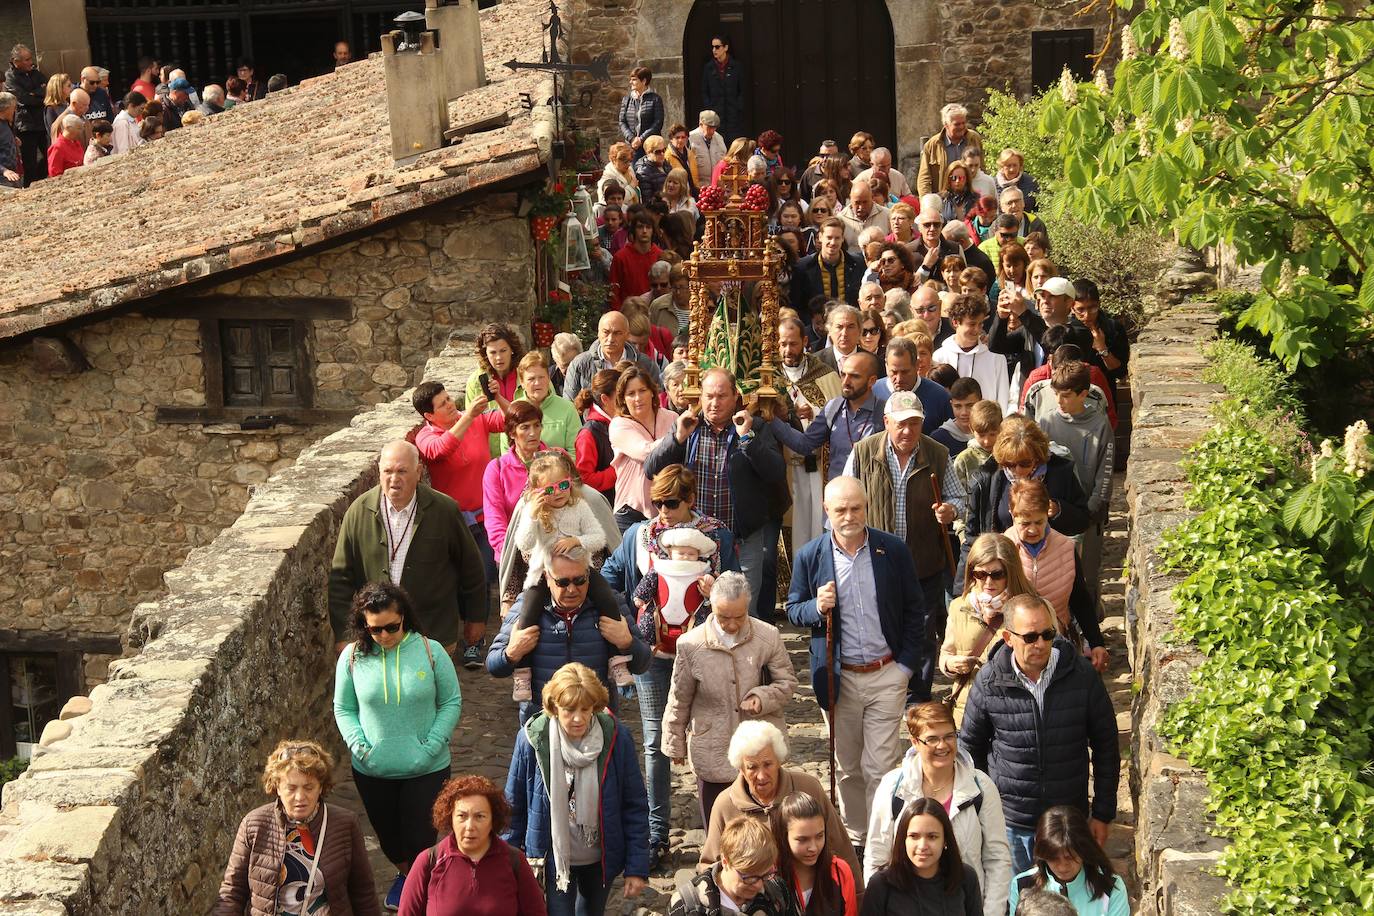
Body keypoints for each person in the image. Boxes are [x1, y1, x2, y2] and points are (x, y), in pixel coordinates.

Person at [601, 464, 739, 863]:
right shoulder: (639, 535)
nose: (662, 510)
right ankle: (656, 833)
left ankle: (718, 831)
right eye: (657, 501)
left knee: (709, 737)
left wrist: (719, 592)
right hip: (652, 655)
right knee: (654, 740)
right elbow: (609, 578)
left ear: (691, 500)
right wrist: (631, 619)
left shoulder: (716, 534)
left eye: (672, 503)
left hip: (704, 652)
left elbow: (738, 588)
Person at [786, 477, 925, 853]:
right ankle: (858, 838)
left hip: (886, 674)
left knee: (881, 764)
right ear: (826, 512)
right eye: (840, 510)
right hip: (839, 678)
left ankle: (883, 841)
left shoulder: (891, 550)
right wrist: (817, 607)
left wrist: (905, 668)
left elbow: (915, 610)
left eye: (856, 508)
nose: (849, 516)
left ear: (866, 507)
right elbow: (792, 609)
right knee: (848, 766)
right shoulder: (811, 556)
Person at [959, 595, 1120, 874]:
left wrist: (1103, 814)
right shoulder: (989, 681)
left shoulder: (1081, 675)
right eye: (1030, 636)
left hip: (1068, 822)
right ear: (1008, 638)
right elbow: (970, 749)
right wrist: (984, 809)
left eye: (1047, 634)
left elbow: (1106, 745)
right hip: (1011, 824)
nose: (1041, 644)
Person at [334, 582, 463, 909]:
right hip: (373, 769)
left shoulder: (431, 652)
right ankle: (408, 876)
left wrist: (431, 744)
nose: (385, 636)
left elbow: (450, 702)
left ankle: (420, 891)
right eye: (375, 629)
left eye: (392, 627)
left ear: (404, 618)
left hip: (427, 767)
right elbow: (343, 708)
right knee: (389, 841)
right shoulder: (352, 658)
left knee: (420, 838)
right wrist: (360, 747)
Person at [841, 391, 966, 704]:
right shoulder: (863, 451)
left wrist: (950, 510)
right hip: (874, 559)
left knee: (922, 630)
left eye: (914, 423)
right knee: (877, 624)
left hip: (922, 560)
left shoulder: (937, 453)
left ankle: (917, 693)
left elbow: (959, 499)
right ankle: (882, 686)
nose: (908, 431)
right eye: (901, 424)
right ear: (886, 422)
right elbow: (844, 499)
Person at [505, 662, 650, 915]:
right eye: (569, 710)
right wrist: (505, 864)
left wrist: (637, 867)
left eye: (585, 709)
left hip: (600, 860)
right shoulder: (531, 740)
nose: (578, 718)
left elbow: (634, 805)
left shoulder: (616, 738)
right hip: (553, 859)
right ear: (553, 707)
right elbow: (513, 808)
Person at [645, 368, 789, 621]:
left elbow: (775, 472)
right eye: (709, 396)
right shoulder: (689, 426)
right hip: (695, 543)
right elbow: (652, 469)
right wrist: (677, 438)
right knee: (697, 611)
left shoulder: (753, 427)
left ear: (736, 396)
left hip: (742, 538)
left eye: (722, 396)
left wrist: (748, 439)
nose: (714, 403)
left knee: (745, 611)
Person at [663, 573, 798, 826]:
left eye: (739, 616)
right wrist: (675, 743)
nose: (732, 624)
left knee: (766, 825)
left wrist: (763, 696)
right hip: (713, 746)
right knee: (719, 826)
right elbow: (680, 697)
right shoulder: (691, 644)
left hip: (759, 746)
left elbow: (787, 683)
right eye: (724, 617)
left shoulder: (767, 636)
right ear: (712, 607)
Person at [329, 440, 488, 656]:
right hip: (376, 636)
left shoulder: (444, 510)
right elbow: (341, 579)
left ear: (418, 471)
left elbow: (471, 568)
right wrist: (344, 635)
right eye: (388, 471)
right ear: (379, 472)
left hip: (432, 635)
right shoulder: (358, 512)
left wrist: (476, 618)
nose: (394, 479)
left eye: (402, 471)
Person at [865, 703, 1010, 916]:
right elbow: (877, 855)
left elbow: (997, 858)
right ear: (915, 742)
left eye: (949, 736)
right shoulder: (892, 787)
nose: (942, 745)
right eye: (932, 739)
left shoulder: (981, 787)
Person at [215, 739, 379, 916]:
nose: (300, 797)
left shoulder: (345, 824)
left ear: (321, 787)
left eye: (309, 787)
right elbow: (232, 893)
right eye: (291, 788)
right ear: (277, 787)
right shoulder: (254, 824)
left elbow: (363, 892)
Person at [488, 547, 651, 722]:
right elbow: (494, 666)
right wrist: (511, 653)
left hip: (597, 724)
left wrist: (627, 642)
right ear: (546, 577)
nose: (572, 589)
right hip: (542, 725)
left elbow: (643, 664)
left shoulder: (611, 603)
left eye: (580, 580)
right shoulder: (525, 608)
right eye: (563, 582)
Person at [700, 721, 860, 883]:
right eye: (752, 767)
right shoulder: (725, 804)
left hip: (812, 896)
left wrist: (859, 897)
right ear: (740, 768)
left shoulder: (808, 787)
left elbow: (842, 848)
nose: (761, 776)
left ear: (778, 760)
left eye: (767, 764)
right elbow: (709, 864)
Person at [398, 774, 546, 915]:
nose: (470, 826)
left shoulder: (515, 861)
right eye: (462, 816)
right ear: (450, 818)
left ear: (493, 820)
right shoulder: (428, 862)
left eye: (479, 816)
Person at [961, 417, 1091, 576]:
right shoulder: (986, 479)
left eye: (1024, 464)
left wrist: (1059, 510)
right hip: (1004, 574)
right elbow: (972, 538)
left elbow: (1083, 520)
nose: (1017, 470)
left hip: (1054, 570)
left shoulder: (1061, 474)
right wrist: (961, 590)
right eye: (1009, 464)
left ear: (1038, 457)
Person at [1004, 481, 1107, 672]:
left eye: (1039, 522)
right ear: (1012, 515)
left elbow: (1080, 599)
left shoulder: (1065, 548)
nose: (1033, 530)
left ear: (1048, 514)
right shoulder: (1003, 550)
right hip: (1014, 649)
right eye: (1025, 524)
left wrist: (1096, 642)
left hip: (1056, 643)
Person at [1036, 360, 1115, 587]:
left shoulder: (1100, 426)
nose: (1059, 401)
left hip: (1088, 517)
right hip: (1052, 514)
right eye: (1056, 394)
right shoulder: (1046, 421)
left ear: (1083, 394)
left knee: (1085, 578)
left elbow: (1105, 474)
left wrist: (1090, 511)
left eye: (1066, 395)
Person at [776, 317, 843, 548]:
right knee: (792, 527)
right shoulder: (769, 378)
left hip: (818, 467)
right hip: (785, 469)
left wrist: (814, 413)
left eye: (793, 344)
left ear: (805, 341)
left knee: (817, 524)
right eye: (782, 343)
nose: (787, 350)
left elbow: (837, 415)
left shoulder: (824, 375)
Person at [770, 350, 884, 482]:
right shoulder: (833, 407)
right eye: (843, 374)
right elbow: (805, 444)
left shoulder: (884, 412)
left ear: (872, 381)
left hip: (870, 497)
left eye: (855, 376)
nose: (846, 382)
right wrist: (771, 418)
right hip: (837, 496)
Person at [861, 799, 983, 916]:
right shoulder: (881, 885)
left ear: (945, 840)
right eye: (914, 836)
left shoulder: (965, 877)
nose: (923, 846)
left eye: (932, 837)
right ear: (903, 839)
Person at [1008, 807, 1129, 916]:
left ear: (1084, 851)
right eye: (1053, 858)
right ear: (1043, 855)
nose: (1062, 867)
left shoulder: (1111, 886)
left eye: (1070, 858)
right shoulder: (1022, 884)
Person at [673, 816, 794, 916]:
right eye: (750, 877)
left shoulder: (777, 890)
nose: (759, 885)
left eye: (765, 874)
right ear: (725, 861)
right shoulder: (688, 906)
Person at [609, 366, 678, 533]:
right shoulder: (619, 424)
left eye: (642, 390)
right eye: (631, 394)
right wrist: (677, 436)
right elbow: (645, 452)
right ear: (623, 399)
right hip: (631, 512)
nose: (637, 398)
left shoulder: (672, 418)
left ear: (652, 392)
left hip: (669, 508)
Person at [771, 792, 859, 916]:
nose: (813, 847)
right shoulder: (769, 876)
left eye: (819, 836)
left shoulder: (840, 872)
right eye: (802, 840)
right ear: (784, 837)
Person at [933, 294, 1012, 413]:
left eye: (980, 324)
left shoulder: (996, 359)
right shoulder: (939, 357)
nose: (977, 330)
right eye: (972, 324)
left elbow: (1003, 401)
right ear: (955, 322)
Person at [562, 310, 659, 400]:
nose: (611, 339)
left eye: (617, 333)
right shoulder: (580, 364)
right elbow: (569, 406)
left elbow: (656, 400)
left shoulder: (645, 364)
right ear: (598, 333)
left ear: (627, 335)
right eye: (606, 332)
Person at [464, 323, 523, 456]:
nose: (498, 357)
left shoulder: (530, 375)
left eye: (503, 350)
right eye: (493, 352)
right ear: (485, 353)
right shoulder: (475, 382)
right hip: (493, 458)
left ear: (512, 350)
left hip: (528, 451)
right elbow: (472, 423)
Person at [872, 336, 953, 429]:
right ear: (886, 365)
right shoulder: (872, 393)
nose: (899, 379)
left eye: (905, 372)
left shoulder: (940, 397)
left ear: (917, 365)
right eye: (893, 372)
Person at [506, 351, 579, 453]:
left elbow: (575, 451)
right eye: (531, 379)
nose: (537, 383)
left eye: (541, 377)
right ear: (522, 382)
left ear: (549, 378)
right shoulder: (513, 409)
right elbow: (507, 451)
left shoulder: (568, 408)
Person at [1069, 279, 1130, 401]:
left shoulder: (1113, 328)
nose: (1087, 315)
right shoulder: (1067, 331)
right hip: (1073, 397)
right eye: (1080, 310)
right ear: (1071, 308)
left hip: (1105, 396)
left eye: (1092, 308)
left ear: (1099, 304)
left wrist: (1102, 349)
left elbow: (1121, 372)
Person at [792, 220, 864, 313]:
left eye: (837, 238)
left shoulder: (857, 263)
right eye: (829, 237)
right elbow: (797, 304)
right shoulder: (803, 266)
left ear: (842, 239)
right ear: (820, 237)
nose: (833, 242)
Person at [573, 368, 620, 504]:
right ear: (605, 399)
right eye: (621, 395)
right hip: (603, 508)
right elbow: (584, 479)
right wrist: (620, 470)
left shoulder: (619, 421)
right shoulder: (588, 433)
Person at [917, 104, 983, 196]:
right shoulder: (933, 145)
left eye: (964, 123)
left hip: (971, 197)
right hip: (944, 199)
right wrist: (927, 202)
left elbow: (982, 167)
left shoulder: (974, 139)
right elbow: (924, 178)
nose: (962, 127)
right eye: (957, 124)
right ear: (946, 125)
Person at [4, 45, 46, 184]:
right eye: (27, 60)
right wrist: (36, 93)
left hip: (42, 121)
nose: (30, 62)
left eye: (30, 59)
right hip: (26, 125)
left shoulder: (34, 72)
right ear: (16, 62)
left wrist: (35, 93)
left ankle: (42, 180)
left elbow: (47, 90)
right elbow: (23, 99)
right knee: (30, 164)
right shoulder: (10, 77)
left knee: (49, 156)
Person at [951, 401, 1003, 493]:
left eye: (992, 434)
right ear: (971, 429)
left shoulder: (1007, 455)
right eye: (981, 435)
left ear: (1001, 428)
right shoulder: (964, 460)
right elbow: (957, 495)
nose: (987, 441)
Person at [701, 35, 745, 141]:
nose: (714, 50)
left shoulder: (736, 67)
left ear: (725, 48)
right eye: (713, 47)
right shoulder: (708, 68)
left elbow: (742, 90)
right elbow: (704, 90)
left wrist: (738, 106)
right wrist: (710, 107)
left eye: (717, 47)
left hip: (733, 114)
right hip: (716, 113)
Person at [929, 378, 982, 458]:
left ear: (981, 403)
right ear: (951, 405)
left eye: (970, 405)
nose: (964, 412)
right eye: (958, 406)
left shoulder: (995, 433)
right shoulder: (938, 440)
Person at [619, 67, 664, 157]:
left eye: (634, 80)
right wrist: (632, 139)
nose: (630, 82)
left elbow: (658, 123)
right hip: (632, 147)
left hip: (650, 147)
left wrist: (641, 139)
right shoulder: (627, 99)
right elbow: (622, 121)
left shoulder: (655, 99)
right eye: (631, 79)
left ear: (644, 81)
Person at [838, 181, 891, 257]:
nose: (861, 207)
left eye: (865, 202)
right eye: (857, 203)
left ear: (872, 198)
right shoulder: (840, 219)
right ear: (850, 199)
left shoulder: (887, 215)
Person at [689, 109, 727, 184]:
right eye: (709, 127)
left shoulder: (719, 138)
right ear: (701, 124)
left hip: (717, 186)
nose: (712, 131)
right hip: (699, 187)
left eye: (714, 128)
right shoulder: (690, 138)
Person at [0, 92, 20, 187]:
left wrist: (12, 139)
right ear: (5, 108)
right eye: (13, 107)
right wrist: (4, 170)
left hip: (12, 173)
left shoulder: (6, 122)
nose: (15, 110)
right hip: (3, 177)